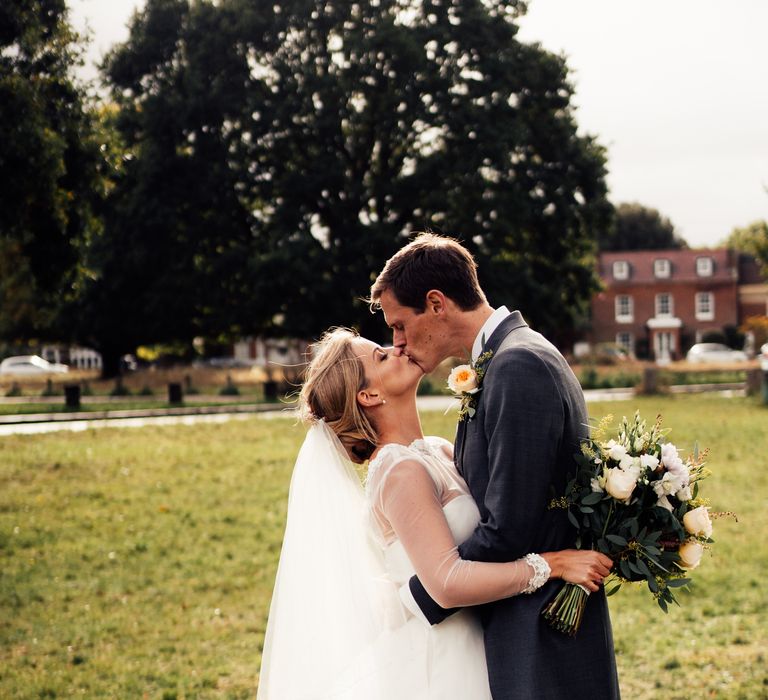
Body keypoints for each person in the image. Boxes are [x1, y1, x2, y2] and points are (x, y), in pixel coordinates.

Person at [257, 327, 612, 699]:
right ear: (369, 395)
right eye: (380, 356)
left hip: (483, 640)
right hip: (446, 659)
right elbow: (446, 584)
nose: (395, 348)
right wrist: (552, 565)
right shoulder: (399, 470)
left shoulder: (438, 450)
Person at [369, 232, 621, 699]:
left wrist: (424, 593)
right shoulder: (507, 359)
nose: (398, 342)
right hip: (532, 624)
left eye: (400, 324)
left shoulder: (516, 365)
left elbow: (509, 529)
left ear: (437, 303)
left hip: (541, 637)